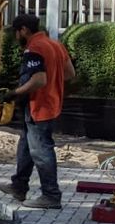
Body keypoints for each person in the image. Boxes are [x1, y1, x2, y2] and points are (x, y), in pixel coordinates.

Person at [5, 11, 73, 210]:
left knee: (41, 151)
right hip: (52, 103)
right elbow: (69, 73)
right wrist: (53, 83)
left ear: (24, 30)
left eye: (16, 33)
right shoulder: (56, 45)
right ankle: (19, 185)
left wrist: (14, 92)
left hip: (39, 107)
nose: (16, 37)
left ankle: (51, 196)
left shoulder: (34, 48)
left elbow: (39, 79)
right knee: (26, 145)